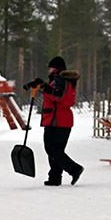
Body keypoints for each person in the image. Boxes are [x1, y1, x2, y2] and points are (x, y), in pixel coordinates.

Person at [23, 56, 84, 186]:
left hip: (56, 120)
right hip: (63, 119)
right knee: (57, 150)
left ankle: (75, 169)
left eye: (51, 67)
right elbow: (54, 94)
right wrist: (42, 86)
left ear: (55, 68)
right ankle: (55, 178)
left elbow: (57, 95)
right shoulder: (66, 80)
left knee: (51, 149)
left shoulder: (59, 79)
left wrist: (44, 86)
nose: (49, 70)